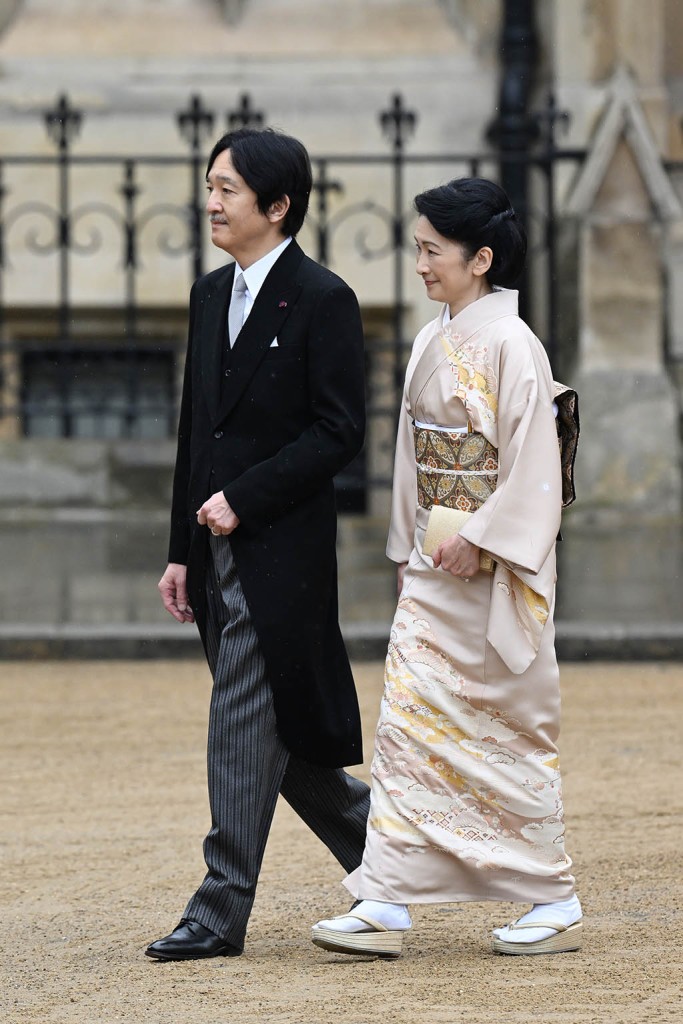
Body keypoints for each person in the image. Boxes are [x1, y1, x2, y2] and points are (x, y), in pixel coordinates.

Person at [311, 177, 582, 959]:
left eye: (432, 250)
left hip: (492, 566)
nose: (420, 263)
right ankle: (385, 896)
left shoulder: (512, 344)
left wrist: (486, 534)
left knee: (508, 727)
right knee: (407, 724)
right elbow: (410, 455)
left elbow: (536, 460)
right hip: (437, 555)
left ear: (480, 258)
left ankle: (552, 894)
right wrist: (408, 546)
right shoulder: (436, 337)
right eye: (420, 247)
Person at [147, 127, 370, 961]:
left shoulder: (323, 298)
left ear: (277, 207)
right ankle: (395, 857)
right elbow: (193, 434)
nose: (211, 201)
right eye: (210, 185)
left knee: (240, 715)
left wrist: (244, 497)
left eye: (228, 189)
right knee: (283, 731)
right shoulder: (210, 294)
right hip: (214, 555)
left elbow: (338, 431)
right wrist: (180, 549)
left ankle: (218, 907)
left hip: (283, 554)